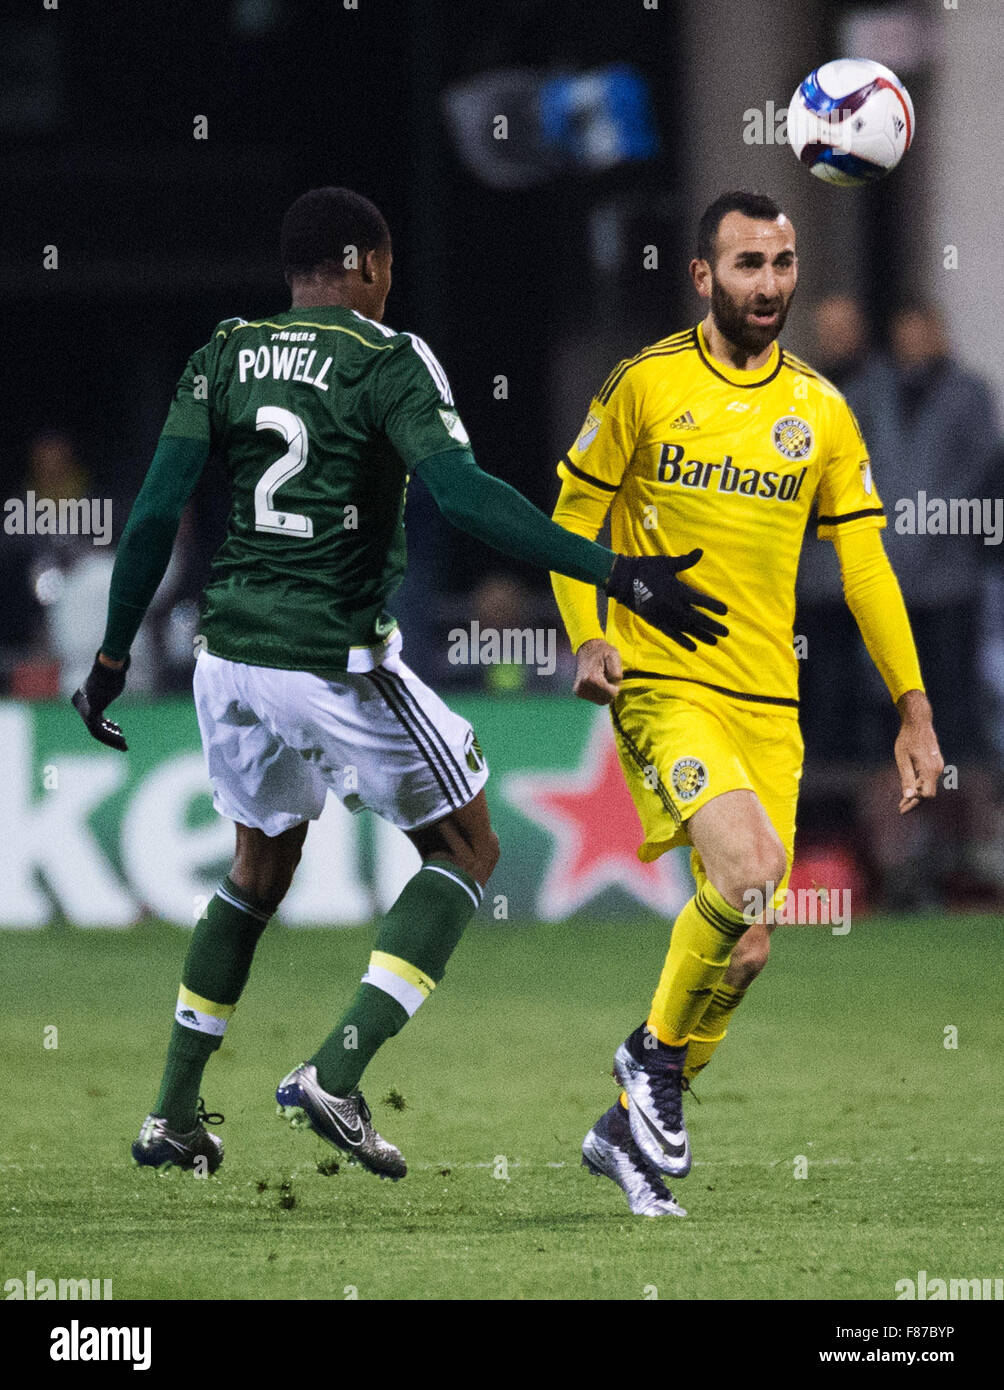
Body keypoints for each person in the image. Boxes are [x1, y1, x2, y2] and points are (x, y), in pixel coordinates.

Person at [71, 186, 728, 1180]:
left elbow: (158, 509)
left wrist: (113, 654)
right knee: (468, 845)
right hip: (330, 657)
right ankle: (335, 1070)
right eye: (387, 268)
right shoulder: (387, 358)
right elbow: (463, 494)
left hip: (226, 654)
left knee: (258, 868)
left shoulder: (223, 353)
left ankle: (171, 1113)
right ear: (367, 265)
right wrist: (614, 572)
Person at [549, 191, 944, 1218]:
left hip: (768, 701)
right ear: (700, 276)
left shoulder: (818, 409)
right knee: (750, 867)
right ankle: (649, 1064)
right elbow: (573, 514)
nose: (767, 284)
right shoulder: (642, 385)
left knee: (749, 941)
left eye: (780, 263)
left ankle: (625, 1125)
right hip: (662, 681)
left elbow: (863, 566)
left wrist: (913, 708)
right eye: (745, 264)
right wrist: (588, 631)